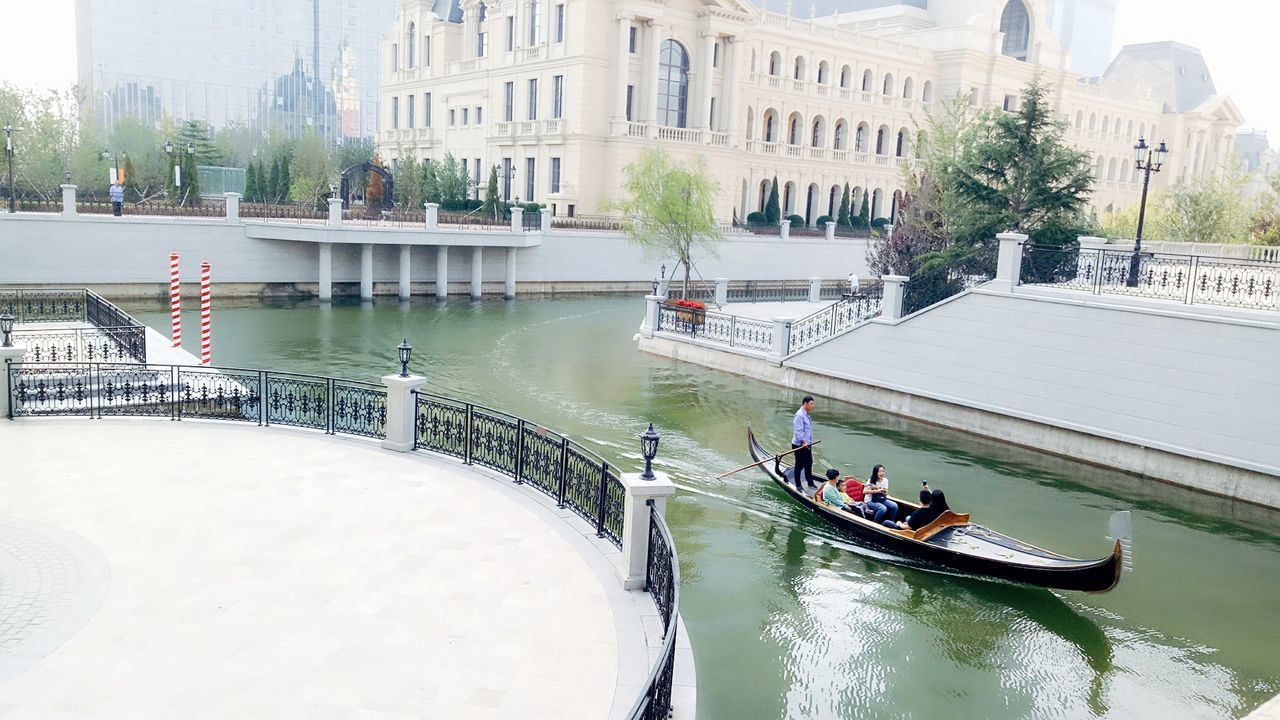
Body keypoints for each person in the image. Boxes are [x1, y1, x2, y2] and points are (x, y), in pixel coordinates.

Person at [790, 396, 819, 491]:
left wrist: (808, 442)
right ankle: (798, 485)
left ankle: (810, 482)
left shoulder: (806, 414)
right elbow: (798, 431)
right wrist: (803, 442)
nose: (813, 406)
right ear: (805, 403)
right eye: (811, 404)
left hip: (807, 445)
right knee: (799, 465)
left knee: (809, 463)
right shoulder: (799, 415)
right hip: (800, 445)